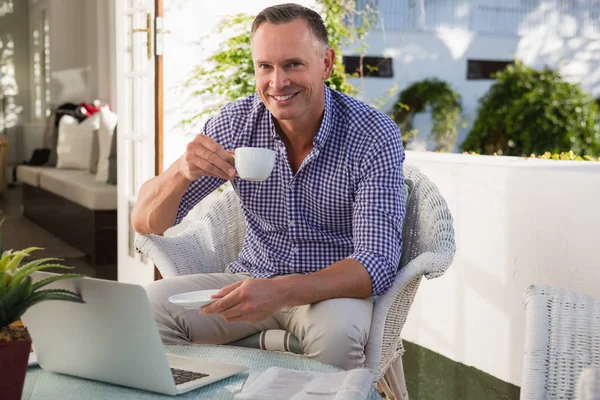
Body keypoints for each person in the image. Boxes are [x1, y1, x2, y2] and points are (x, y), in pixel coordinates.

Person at [132, 3, 406, 371]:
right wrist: (181, 172)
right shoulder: (235, 124)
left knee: (337, 337)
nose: (277, 83)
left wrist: (281, 292)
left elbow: (377, 264)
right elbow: (146, 221)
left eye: (293, 64)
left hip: (329, 292)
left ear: (326, 63)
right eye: (265, 66)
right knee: (142, 311)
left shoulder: (372, 135)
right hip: (250, 281)